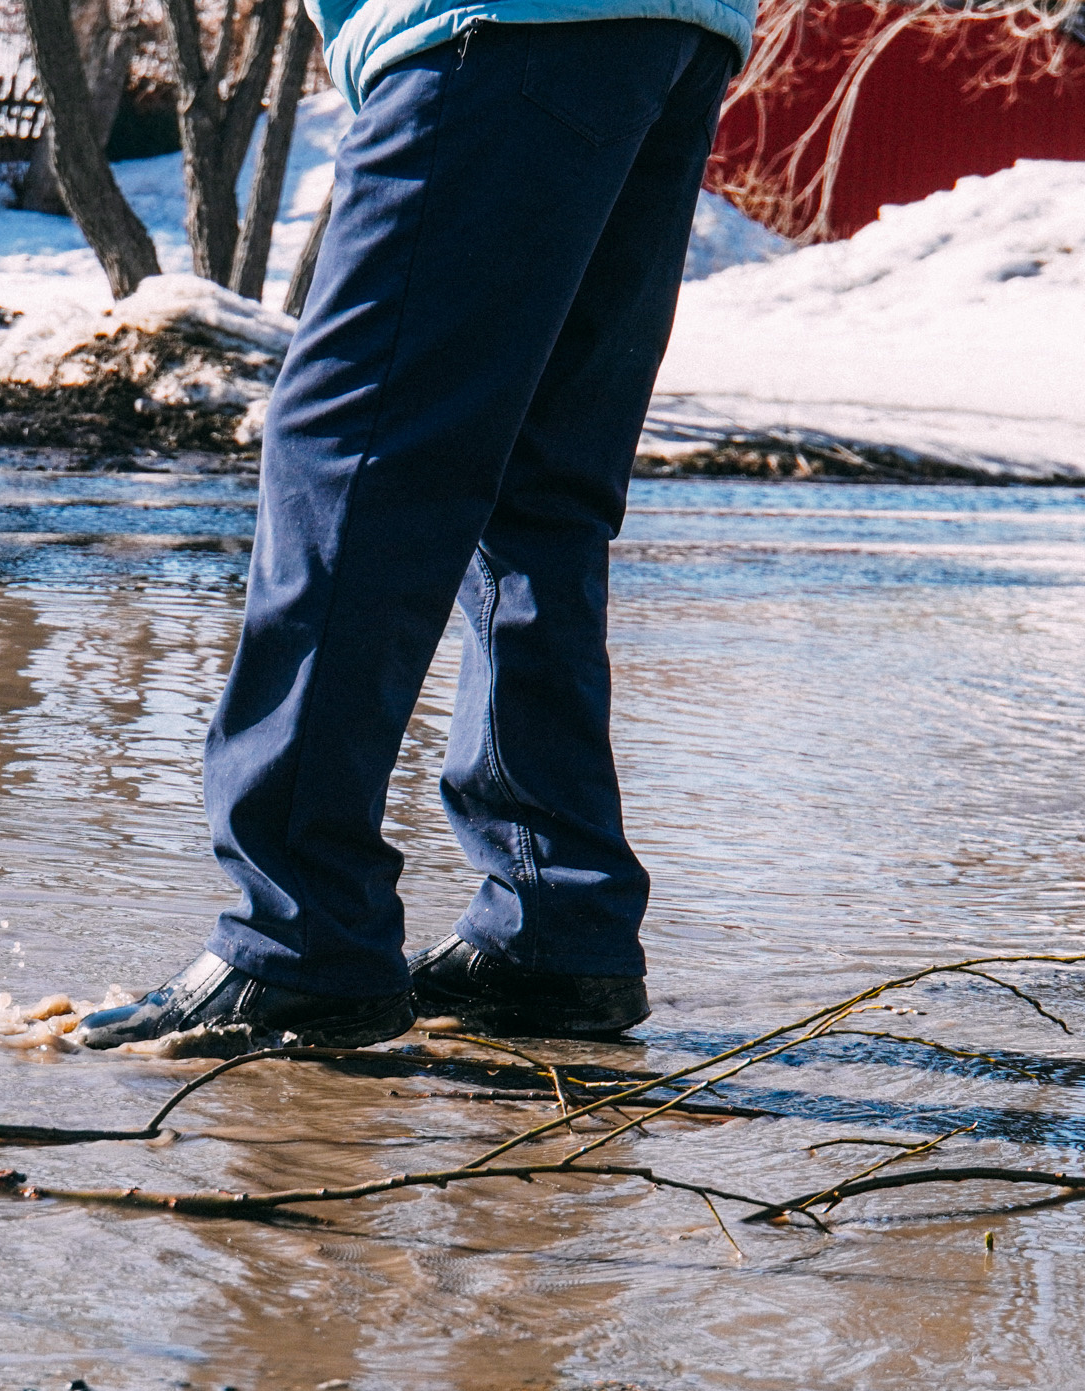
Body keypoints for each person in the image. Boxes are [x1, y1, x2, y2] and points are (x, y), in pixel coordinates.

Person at [79, 0, 753, 1055]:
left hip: (491, 26)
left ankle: (296, 934)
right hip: (674, 31)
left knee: (352, 451)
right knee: (538, 486)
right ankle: (551, 921)